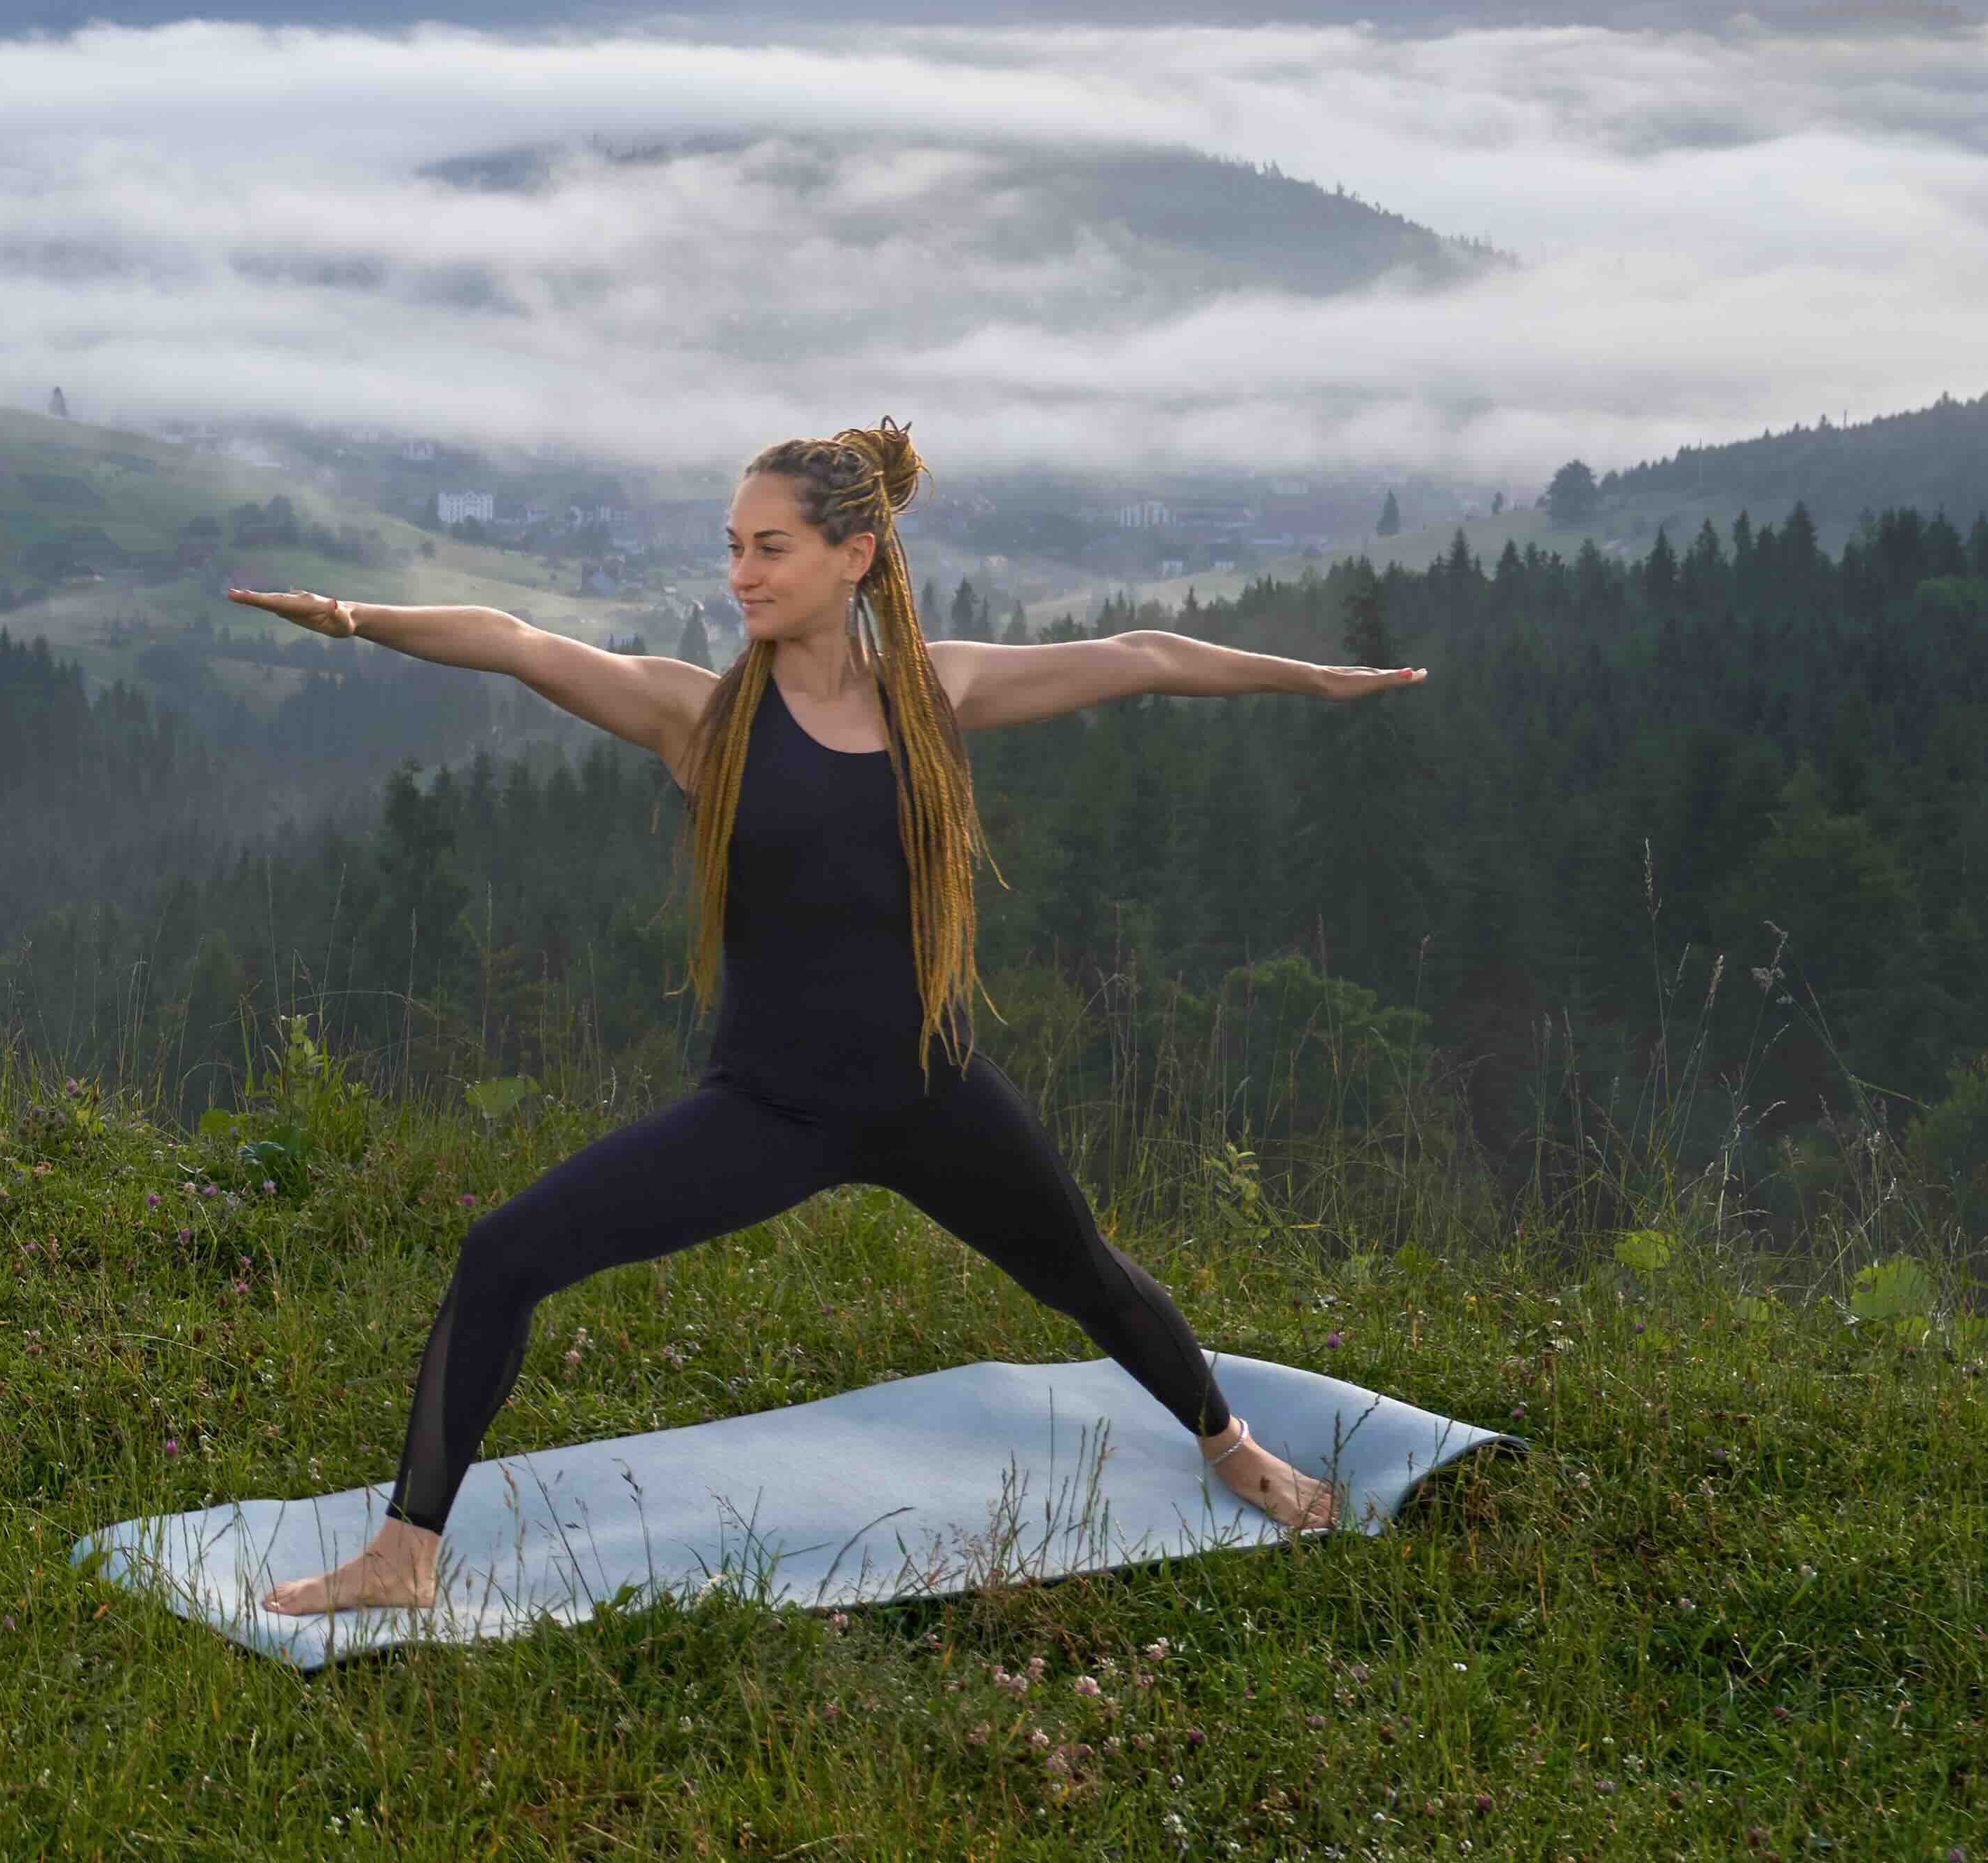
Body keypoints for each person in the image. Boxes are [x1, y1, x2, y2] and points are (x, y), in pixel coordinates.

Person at [226, 422, 1409, 1616]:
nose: (740, 575)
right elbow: (518, 643)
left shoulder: (937, 692)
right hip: (771, 1110)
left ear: (855, 557)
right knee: (502, 1257)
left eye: (770, 549)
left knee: (1091, 1277)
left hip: (932, 1096)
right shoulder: (699, 718)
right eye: (733, 548)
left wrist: (1312, 679)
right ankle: (404, 1554)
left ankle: (1227, 1444)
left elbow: (1144, 655)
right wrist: (355, 615)